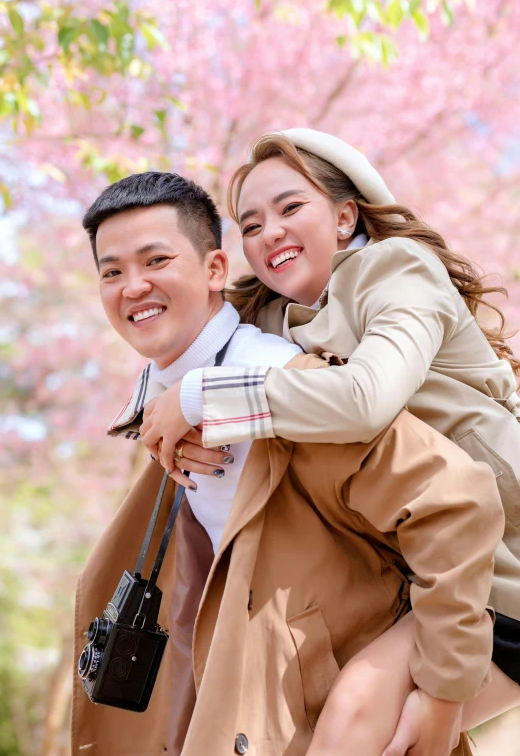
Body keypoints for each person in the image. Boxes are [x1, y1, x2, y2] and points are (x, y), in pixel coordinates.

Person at [71, 171, 503, 756]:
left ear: (216, 270)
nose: (133, 287)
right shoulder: (163, 404)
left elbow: (456, 499)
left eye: (156, 260)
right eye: (112, 272)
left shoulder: (283, 386)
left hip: (334, 694)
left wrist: (443, 688)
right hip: (255, 693)